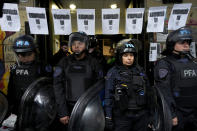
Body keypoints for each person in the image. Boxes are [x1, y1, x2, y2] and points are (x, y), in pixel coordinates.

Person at [53, 31, 103, 129]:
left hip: (89, 108)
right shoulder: (64, 62)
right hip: (68, 108)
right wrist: (62, 112)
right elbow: (57, 87)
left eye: (80, 43)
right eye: (74, 43)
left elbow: (100, 86)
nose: (76, 46)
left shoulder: (94, 63)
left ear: (86, 45)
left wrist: (97, 109)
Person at [154, 26, 197, 131]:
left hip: (194, 113)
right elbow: (164, 92)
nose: (186, 45)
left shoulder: (193, 62)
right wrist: (172, 115)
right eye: (182, 42)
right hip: (178, 114)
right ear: (172, 44)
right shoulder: (165, 64)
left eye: (188, 42)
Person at [104, 39, 153, 131]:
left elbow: (149, 94)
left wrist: (151, 115)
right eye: (126, 55)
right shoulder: (113, 72)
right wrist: (108, 116)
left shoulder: (140, 71)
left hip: (141, 115)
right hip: (122, 117)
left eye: (131, 55)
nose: (129, 58)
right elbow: (108, 96)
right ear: (120, 57)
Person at [7, 35, 52, 131]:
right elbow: (11, 89)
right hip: (20, 108)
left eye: (28, 54)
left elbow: (50, 89)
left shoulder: (43, 67)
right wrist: (11, 108)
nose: (23, 57)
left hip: (39, 108)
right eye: (20, 55)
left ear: (35, 52)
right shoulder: (15, 68)